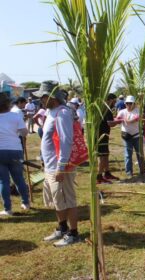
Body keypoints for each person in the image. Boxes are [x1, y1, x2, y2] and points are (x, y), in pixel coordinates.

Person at [40, 86, 80, 247]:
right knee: (57, 199)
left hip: (60, 166)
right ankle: (62, 228)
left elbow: (66, 140)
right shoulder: (51, 113)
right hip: (50, 165)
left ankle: (73, 233)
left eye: (43, 97)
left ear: (53, 98)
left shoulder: (62, 113)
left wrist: (61, 166)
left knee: (67, 198)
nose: (41, 100)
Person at [0, 92, 30, 216]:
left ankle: (8, 209)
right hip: (15, 150)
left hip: (0, 151)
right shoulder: (16, 116)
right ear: (8, 104)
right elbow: (24, 132)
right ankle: (25, 203)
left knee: (3, 181)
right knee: (19, 179)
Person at [116, 96, 145, 177]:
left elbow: (132, 121)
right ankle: (129, 172)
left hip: (137, 136)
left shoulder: (138, 111)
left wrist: (124, 119)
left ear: (134, 104)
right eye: (127, 103)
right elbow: (117, 120)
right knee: (127, 155)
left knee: (140, 154)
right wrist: (118, 119)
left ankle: (143, 171)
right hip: (126, 137)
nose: (128, 105)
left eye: (130, 103)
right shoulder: (122, 112)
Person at [97, 94, 121, 184]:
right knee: (102, 155)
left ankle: (107, 173)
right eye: (114, 101)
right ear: (110, 100)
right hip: (101, 136)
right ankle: (99, 176)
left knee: (106, 154)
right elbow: (110, 123)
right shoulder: (106, 109)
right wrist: (119, 121)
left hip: (102, 135)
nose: (115, 103)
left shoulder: (101, 108)